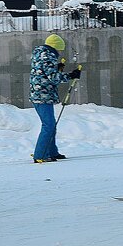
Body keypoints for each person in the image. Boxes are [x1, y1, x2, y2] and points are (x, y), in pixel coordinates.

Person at [29, 33, 82, 163]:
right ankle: (40, 155)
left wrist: (56, 69)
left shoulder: (40, 54)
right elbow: (53, 78)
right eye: (59, 49)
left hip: (40, 93)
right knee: (49, 125)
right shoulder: (48, 56)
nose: (59, 52)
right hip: (42, 95)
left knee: (51, 125)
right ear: (55, 47)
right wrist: (71, 75)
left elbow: (44, 72)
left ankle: (52, 152)